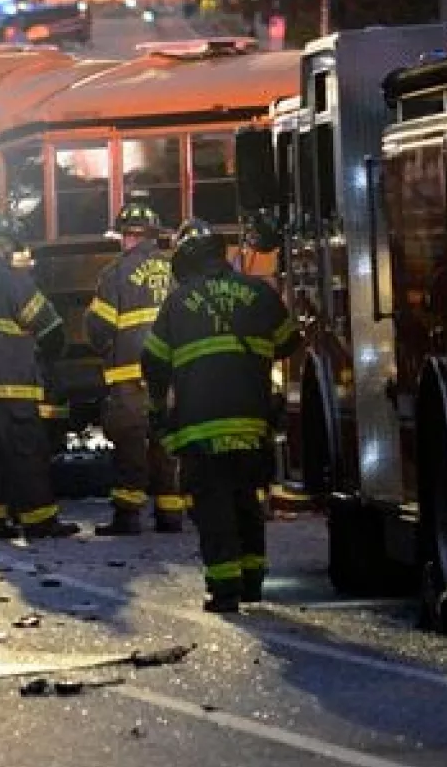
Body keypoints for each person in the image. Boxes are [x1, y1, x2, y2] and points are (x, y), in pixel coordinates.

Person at [141, 219, 301, 613]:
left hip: (201, 429)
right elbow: (290, 343)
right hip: (252, 425)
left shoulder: (177, 304)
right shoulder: (258, 293)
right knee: (247, 501)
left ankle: (225, 590)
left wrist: (159, 412)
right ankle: (252, 582)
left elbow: (154, 363)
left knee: (213, 509)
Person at [0, 220, 79, 540]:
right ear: (3, 246)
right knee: (26, 455)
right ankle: (39, 521)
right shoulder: (11, 279)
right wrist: (50, 360)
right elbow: (50, 329)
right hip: (10, 386)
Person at [85, 201, 188, 536]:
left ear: (125, 237)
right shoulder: (176, 271)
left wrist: (107, 351)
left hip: (129, 376)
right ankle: (170, 516)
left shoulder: (115, 273)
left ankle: (128, 518)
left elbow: (99, 327)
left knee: (130, 445)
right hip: (171, 375)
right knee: (167, 444)